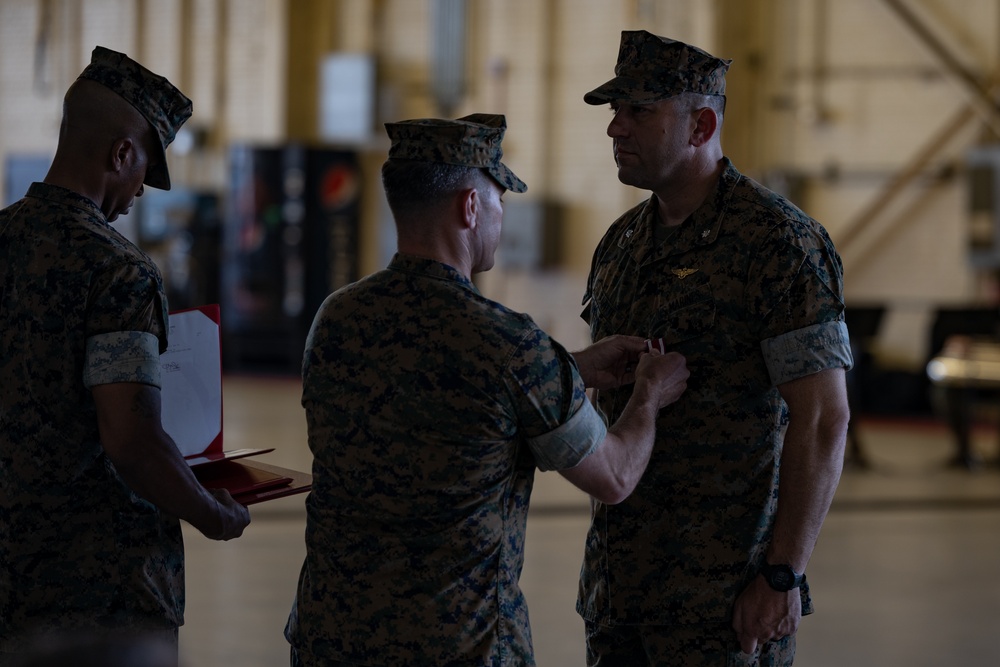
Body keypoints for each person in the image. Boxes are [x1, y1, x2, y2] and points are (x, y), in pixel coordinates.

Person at [284, 113, 690, 666]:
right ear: (471, 208)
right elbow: (614, 475)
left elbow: (431, 388)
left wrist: (570, 368)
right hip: (456, 648)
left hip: (330, 638)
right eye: (500, 200)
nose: (501, 215)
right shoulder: (507, 343)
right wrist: (648, 393)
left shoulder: (336, 318)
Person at [576, 31, 854, 666]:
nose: (615, 128)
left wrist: (782, 575)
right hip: (619, 596)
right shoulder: (621, 243)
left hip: (724, 603)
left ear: (702, 125)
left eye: (638, 111)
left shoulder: (779, 244)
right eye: (614, 112)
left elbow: (821, 419)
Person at [0, 46, 250, 663]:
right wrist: (209, 513)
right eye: (145, 170)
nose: (142, 190)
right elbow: (132, 441)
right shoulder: (117, 273)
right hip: (95, 600)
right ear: (121, 154)